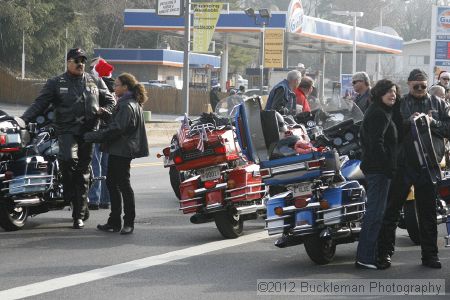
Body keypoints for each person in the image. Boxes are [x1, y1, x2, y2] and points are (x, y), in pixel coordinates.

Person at [21, 48, 115, 229]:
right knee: (67, 160)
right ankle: (72, 199)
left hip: (88, 132)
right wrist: (23, 119)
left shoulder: (95, 79)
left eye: (83, 60)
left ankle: (78, 214)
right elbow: (39, 104)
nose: (80, 63)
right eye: (76, 60)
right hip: (66, 131)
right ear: (68, 62)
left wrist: (104, 111)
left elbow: (110, 101)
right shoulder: (56, 82)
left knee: (83, 171)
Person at [377, 69, 450, 269]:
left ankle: (430, 256)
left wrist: (431, 122)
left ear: (427, 85)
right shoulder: (400, 104)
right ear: (409, 85)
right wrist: (409, 122)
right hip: (403, 164)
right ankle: (384, 254)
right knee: (391, 211)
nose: (419, 89)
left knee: (427, 214)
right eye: (415, 86)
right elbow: (390, 129)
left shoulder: (439, 104)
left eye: (423, 86)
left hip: (429, 165)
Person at [84, 73, 149, 234]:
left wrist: (91, 136)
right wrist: (105, 114)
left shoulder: (127, 105)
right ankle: (114, 221)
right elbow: (118, 122)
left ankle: (128, 222)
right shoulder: (129, 102)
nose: (115, 88)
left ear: (126, 87)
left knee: (123, 186)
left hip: (122, 151)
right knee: (113, 184)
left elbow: (117, 128)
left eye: (118, 85)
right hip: (119, 150)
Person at [356, 79, 400, 269]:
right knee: (374, 214)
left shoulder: (381, 111)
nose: (393, 95)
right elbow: (376, 144)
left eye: (395, 92)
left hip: (378, 169)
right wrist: (387, 166)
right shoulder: (378, 114)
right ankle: (365, 257)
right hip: (378, 171)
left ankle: (368, 255)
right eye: (389, 91)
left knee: (376, 213)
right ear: (379, 92)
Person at [88, 58, 116, 210]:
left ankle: (94, 199)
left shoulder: (97, 86)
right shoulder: (114, 87)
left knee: (95, 164)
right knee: (106, 166)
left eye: (92, 67)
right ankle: (106, 199)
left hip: (98, 129)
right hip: (110, 131)